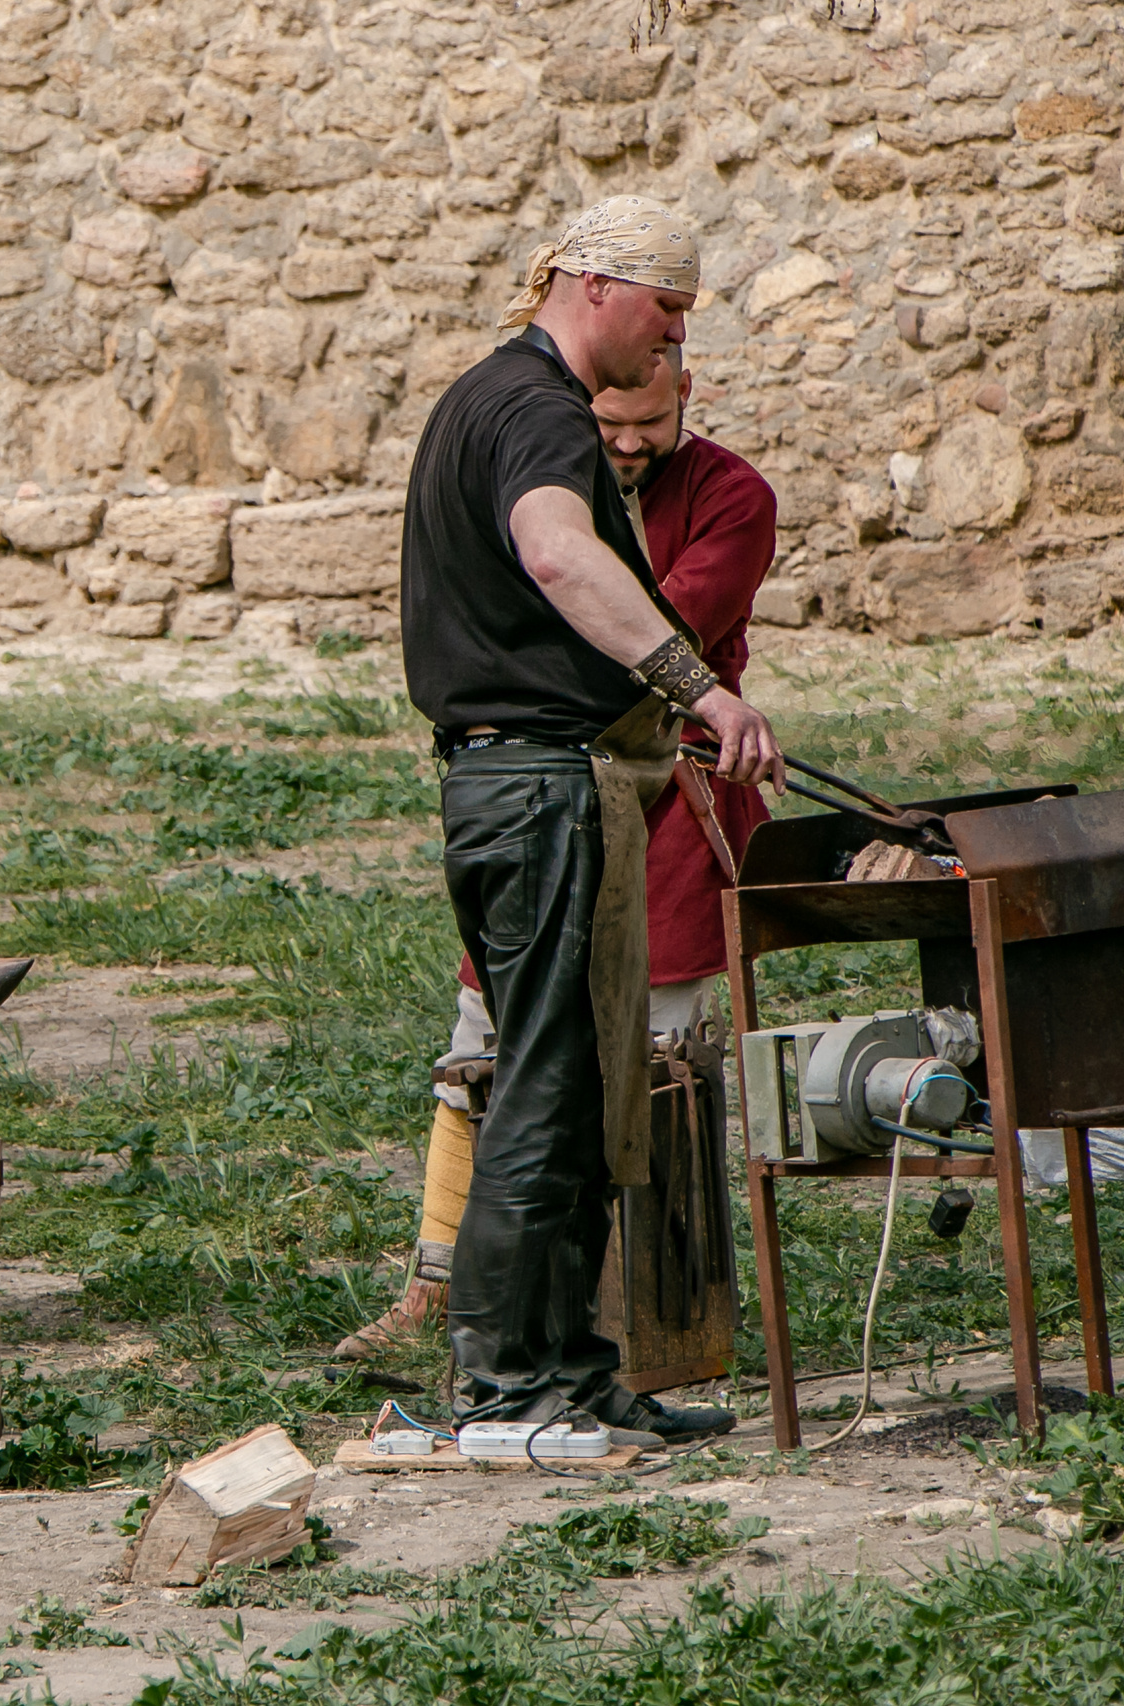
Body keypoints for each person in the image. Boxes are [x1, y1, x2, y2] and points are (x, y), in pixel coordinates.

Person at [396, 197, 786, 1445]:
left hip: (543, 781)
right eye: (665, 311)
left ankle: (570, 1372)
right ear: (600, 286)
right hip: (540, 784)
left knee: (582, 1089)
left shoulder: (500, 401)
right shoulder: (533, 410)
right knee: (548, 1092)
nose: (669, 343)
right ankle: (510, 1395)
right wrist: (698, 684)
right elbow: (559, 555)